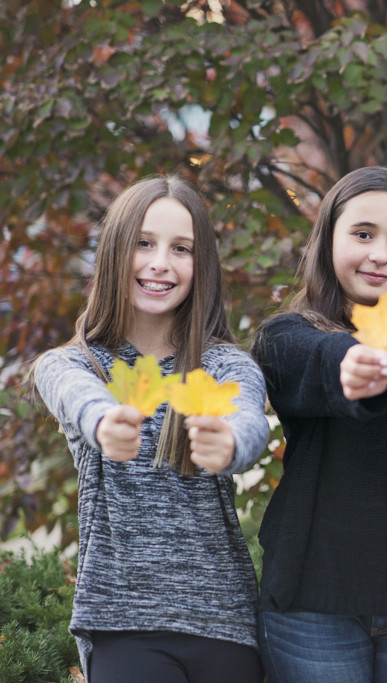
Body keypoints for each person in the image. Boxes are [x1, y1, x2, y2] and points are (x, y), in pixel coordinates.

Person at [32, 175, 269, 682]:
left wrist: (227, 443)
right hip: (122, 625)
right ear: (117, 252)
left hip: (224, 623)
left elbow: (249, 420)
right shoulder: (75, 365)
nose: (160, 262)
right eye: (144, 243)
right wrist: (105, 422)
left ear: (199, 265)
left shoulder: (224, 363)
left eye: (180, 248)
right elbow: (78, 399)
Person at [252, 166, 387, 682]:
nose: (380, 254)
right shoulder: (286, 336)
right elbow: (316, 357)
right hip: (310, 601)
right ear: (329, 235)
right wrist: (353, 365)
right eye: (363, 234)